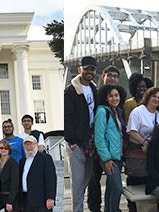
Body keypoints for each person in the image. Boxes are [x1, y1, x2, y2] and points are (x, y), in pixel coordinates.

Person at [65, 56, 98, 212]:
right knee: (77, 183)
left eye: (92, 69)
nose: (89, 72)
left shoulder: (93, 89)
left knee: (87, 178)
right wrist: (71, 141)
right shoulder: (71, 91)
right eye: (86, 68)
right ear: (80, 70)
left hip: (90, 141)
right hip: (76, 143)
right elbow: (67, 116)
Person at [94, 84, 126, 212]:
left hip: (118, 156)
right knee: (118, 188)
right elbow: (99, 137)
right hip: (108, 157)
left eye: (116, 95)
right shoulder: (102, 111)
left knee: (111, 187)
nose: (114, 98)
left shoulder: (118, 111)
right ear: (106, 98)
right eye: (111, 96)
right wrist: (106, 159)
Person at [126, 87, 159, 187]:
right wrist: (144, 142)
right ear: (148, 96)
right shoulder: (137, 112)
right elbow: (131, 131)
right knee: (135, 183)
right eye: (154, 96)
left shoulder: (158, 115)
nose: (156, 99)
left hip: (150, 154)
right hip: (136, 154)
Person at [19, 136, 56, 211]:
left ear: (36, 145)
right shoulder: (22, 161)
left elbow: (51, 179)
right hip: (26, 199)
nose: (29, 147)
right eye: (26, 145)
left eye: (31, 144)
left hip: (41, 201)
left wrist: (50, 197)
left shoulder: (45, 158)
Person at [0, 141, 20, 212]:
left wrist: (10, 201)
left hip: (9, 196)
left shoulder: (13, 163)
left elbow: (15, 183)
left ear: (9, 150)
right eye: (1, 148)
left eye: (6, 148)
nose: (3, 150)